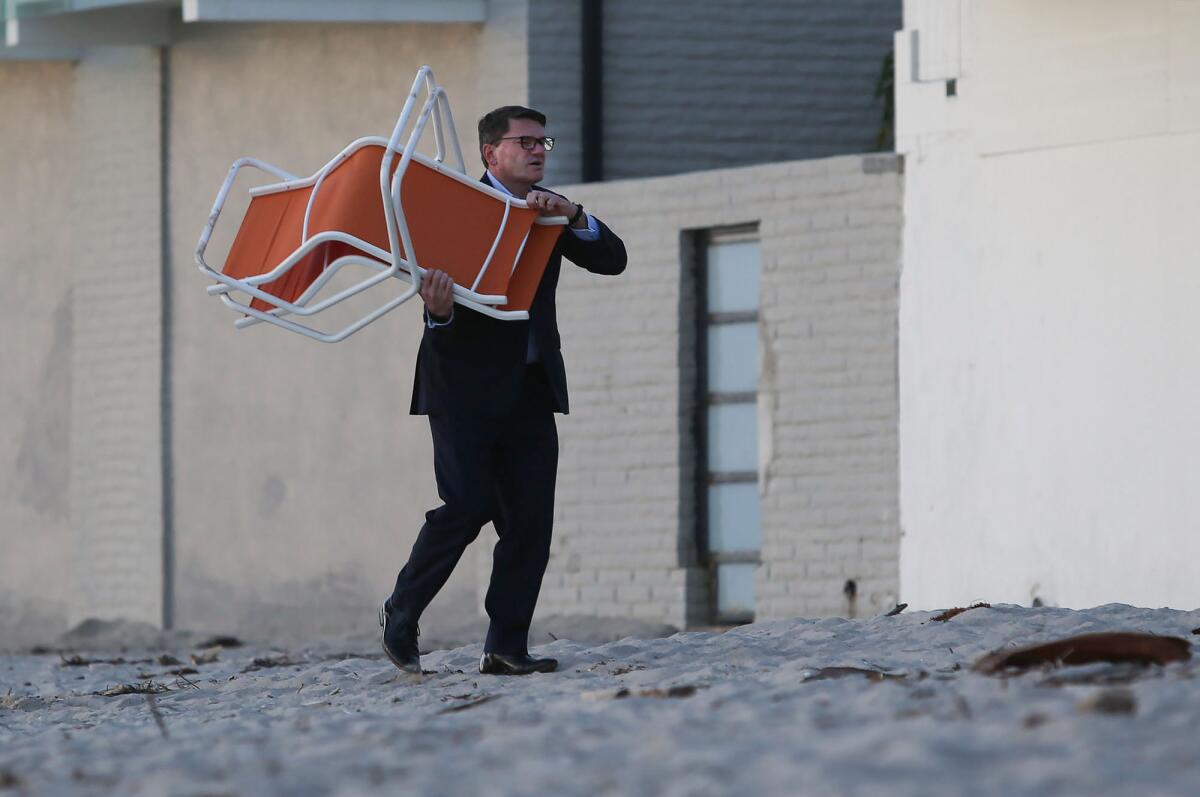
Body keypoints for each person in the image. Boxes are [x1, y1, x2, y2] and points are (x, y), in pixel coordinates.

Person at [380, 106, 627, 676]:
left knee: (530, 522)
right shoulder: (458, 209)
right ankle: (401, 611)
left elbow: (613, 260)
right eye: (525, 142)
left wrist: (574, 215)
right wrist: (437, 313)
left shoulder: (548, 212)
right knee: (467, 505)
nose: (539, 150)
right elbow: (438, 306)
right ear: (492, 154)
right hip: (461, 389)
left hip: (531, 390)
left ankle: (506, 647)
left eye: (544, 141)